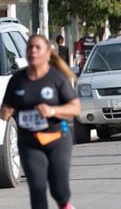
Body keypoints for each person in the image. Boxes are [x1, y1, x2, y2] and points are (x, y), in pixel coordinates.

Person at [0, 34, 80, 209]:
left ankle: (65, 205)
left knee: (59, 191)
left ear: (47, 54)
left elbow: (75, 108)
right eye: (30, 48)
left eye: (38, 48)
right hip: (29, 142)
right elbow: (4, 111)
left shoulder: (56, 78)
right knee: (37, 189)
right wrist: (6, 112)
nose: (33, 51)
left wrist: (52, 110)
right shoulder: (17, 80)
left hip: (57, 139)